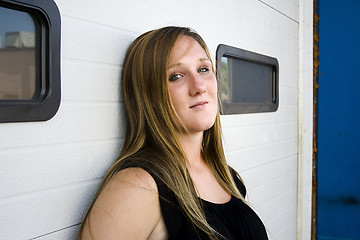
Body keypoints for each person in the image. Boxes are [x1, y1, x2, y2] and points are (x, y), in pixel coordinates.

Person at [79, 26, 268, 240]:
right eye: (176, 76)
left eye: (203, 69)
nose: (199, 86)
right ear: (149, 95)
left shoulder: (226, 176)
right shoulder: (138, 186)